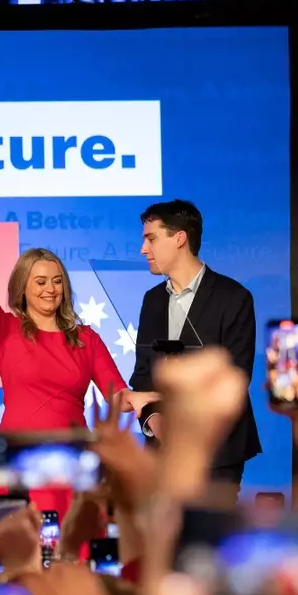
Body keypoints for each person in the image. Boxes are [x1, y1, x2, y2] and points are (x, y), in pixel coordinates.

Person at [0, 202, 152, 575]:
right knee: (12, 569)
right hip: (17, 464)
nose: (50, 289)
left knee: (69, 560)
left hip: (71, 465)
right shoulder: (4, 331)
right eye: (40, 281)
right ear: (22, 287)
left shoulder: (86, 338)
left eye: (57, 281)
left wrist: (146, 399)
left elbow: (116, 394)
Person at [127, 200, 261, 493]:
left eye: (151, 239)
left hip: (218, 454)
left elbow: (235, 378)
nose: (143, 249)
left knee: (210, 538)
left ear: (179, 238)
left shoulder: (234, 298)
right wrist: (157, 422)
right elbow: (142, 375)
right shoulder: (153, 301)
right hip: (161, 453)